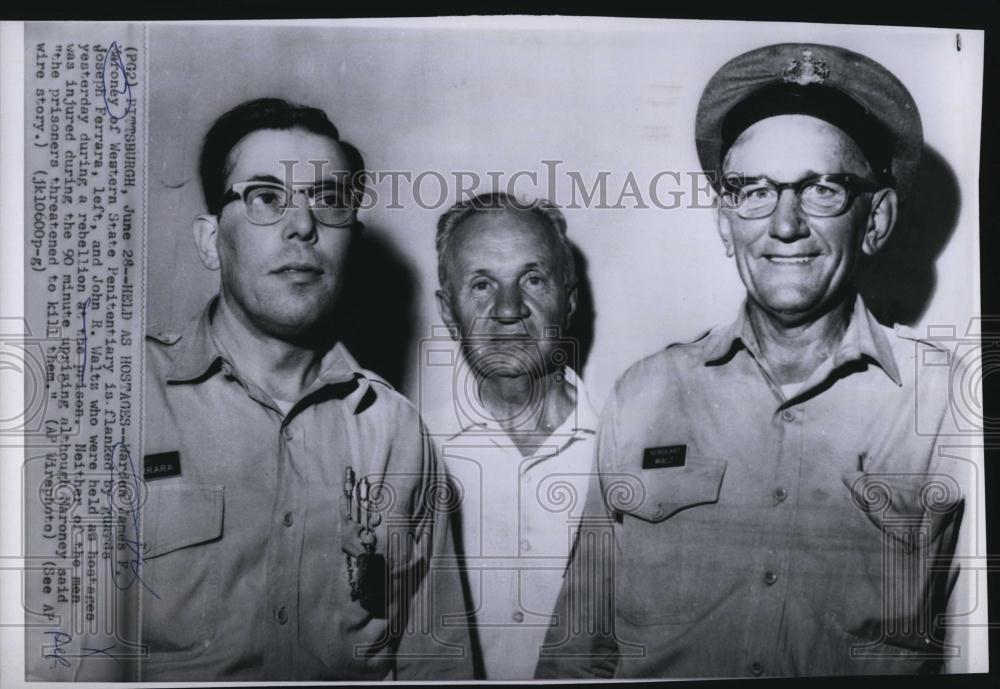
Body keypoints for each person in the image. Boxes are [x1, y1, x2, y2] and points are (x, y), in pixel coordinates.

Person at [536, 43, 975, 678]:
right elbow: (577, 655)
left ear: (875, 219)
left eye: (822, 188)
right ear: (724, 220)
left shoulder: (948, 407)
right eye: (755, 191)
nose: (785, 223)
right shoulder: (645, 394)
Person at [140, 97, 471, 681]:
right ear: (209, 240)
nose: (303, 225)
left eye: (328, 200)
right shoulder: (123, 401)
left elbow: (437, 669)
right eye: (267, 198)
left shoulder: (396, 433)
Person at [432, 192, 599, 679]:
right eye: (481, 284)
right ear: (448, 311)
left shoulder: (623, 453)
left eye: (532, 279)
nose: (508, 309)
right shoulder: (413, 455)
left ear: (568, 299)